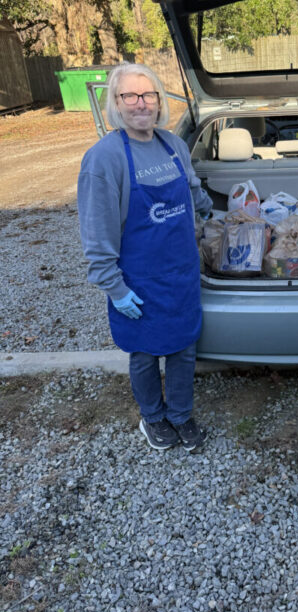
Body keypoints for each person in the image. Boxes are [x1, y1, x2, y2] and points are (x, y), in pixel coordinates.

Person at [78, 62, 212, 451]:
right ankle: (153, 418)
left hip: (181, 273)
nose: (141, 103)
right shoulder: (104, 159)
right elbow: (97, 232)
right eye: (130, 95)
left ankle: (181, 415)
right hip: (138, 278)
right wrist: (114, 288)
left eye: (148, 94)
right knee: (144, 354)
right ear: (116, 104)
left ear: (158, 101)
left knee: (185, 349)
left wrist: (217, 215)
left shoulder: (174, 145)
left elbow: (193, 191)